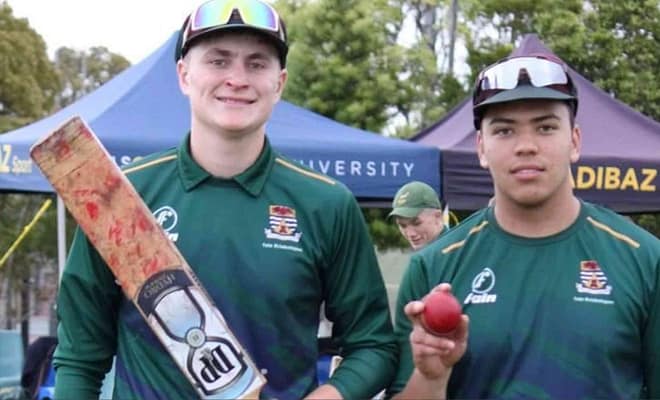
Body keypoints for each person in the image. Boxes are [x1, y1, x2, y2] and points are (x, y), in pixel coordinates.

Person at [52, 1, 397, 399]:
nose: (237, 79)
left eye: (256, 63)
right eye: (218, 61)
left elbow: (374, 346)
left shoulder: (326, 204)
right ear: (184, 75)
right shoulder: (118, 196)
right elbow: (79, 359)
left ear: (279, 83)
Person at [388, 54, 660, 398]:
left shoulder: (644, 259)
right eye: (504, 130)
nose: (526, 146)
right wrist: (430, 378)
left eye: (545, 127)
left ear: (575, 141)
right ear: (481, 148)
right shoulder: (433, 267)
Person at [389, 181, 446, 250]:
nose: (410, 234)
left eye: (416, 223)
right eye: (402, 226)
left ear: (437, 217)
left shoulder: (455, 253)